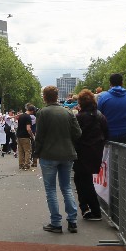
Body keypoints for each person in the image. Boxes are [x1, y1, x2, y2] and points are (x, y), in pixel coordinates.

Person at [32, 85, 81, 234]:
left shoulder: (43, 113)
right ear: (57, 96)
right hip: (67, 153)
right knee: (67, 187)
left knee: (51, 190)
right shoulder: (68, 112)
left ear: (45, 97)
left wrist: (36, 153)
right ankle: (72, 221)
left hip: (48, 155)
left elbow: (39, 136)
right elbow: (78, 133)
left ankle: (56, 223)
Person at [74, 89, 109, 220]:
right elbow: (106, 132)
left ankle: (91, 209)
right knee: (84, 180)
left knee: (83, 181)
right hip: (96, 151)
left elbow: (75, 134)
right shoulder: (100, 116)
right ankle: (87, 208)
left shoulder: (79, 117)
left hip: (82, 151)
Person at [96, 72, 126, 144]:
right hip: (125, 133)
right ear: (122, 83)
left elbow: (99, 116)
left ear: (110, 83)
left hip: (108, 135)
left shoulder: (103, 97)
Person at [15, 104, 35, 171]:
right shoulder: (28, 117)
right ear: (32, 111)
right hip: (25, 136)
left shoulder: (21, 116)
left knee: (20, 151)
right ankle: (26, 164)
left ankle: (21, 164)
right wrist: (32, 136)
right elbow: (28, 128)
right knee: (27, 151)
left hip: (19, 135)